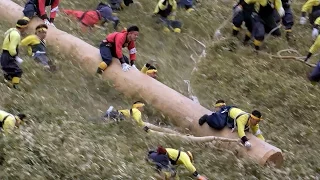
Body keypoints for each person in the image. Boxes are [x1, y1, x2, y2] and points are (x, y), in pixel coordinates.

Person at [199, 100, 265, 149]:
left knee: (247, 131)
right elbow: (240, 131)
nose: (257, 123)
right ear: (252, 118)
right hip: (227, 112)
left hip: (235, 111)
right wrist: (246, 141)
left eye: (258, 121)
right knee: (219, 125)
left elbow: (258, 134)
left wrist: (263, 143)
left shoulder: (255, 124)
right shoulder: (243, 118)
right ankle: (207, 117)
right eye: (256, 121)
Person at [1, 19, 29, 90]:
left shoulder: (12, 32)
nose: (26, 29)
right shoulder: (16, 35)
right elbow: (12, 48)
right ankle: (15, 86)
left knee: (9, 71)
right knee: (17, 71)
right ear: (22, 27)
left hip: (5, 55)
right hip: (8, 56)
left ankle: (7, 83)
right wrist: (15, 57)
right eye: (26, 27)